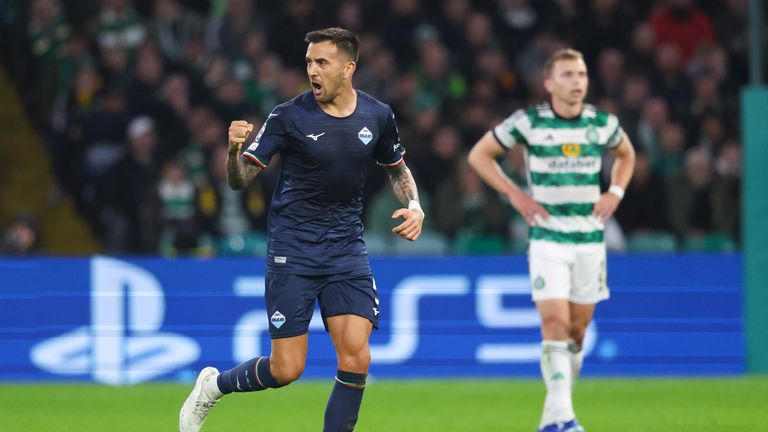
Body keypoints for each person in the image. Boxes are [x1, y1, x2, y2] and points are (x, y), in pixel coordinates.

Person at [179, 27, 425, 432]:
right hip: (293, 251)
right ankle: (213, 386)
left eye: (322, 62)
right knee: (286, 369)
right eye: (309, 61)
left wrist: (414, 206)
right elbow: (240, 180)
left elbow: (397, 171)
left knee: (356, 357)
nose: (312, 69)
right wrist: (234, 151)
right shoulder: (288, 116)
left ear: (349, 68)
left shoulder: (377, 115)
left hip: (346, 249)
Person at [468, 48, 635, 432]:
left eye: (581, 74)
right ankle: (565, 418)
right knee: (555, 323)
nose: (576, 81)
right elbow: (480, 155)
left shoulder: (602, 123)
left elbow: (626, 155)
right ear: (549, 83)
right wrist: (514, 193)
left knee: (577, 331)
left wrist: (616, 192)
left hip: (590, 238)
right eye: (567, 75)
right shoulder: (529, 122)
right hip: (547, 236)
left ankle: (553, 415)